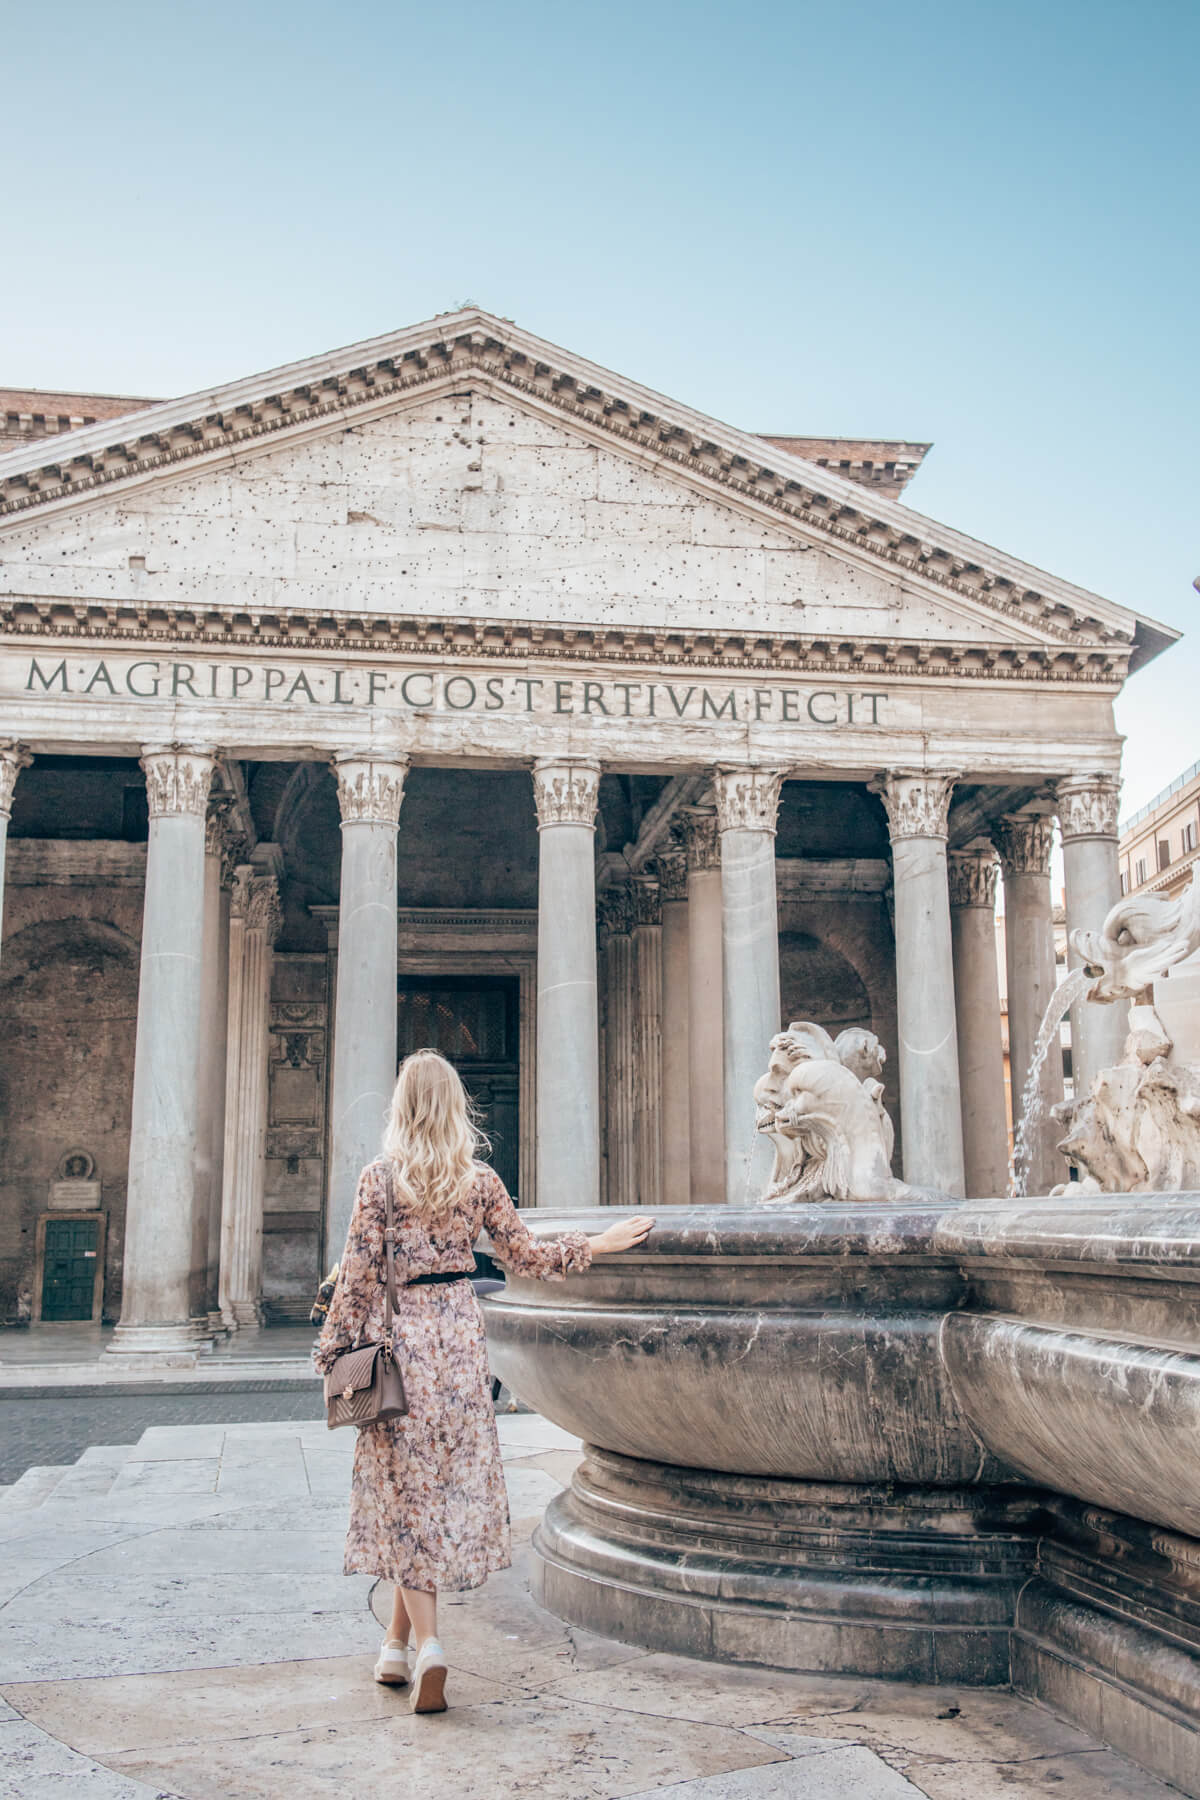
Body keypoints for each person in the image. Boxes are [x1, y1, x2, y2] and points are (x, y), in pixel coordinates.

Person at [314, 1048, 653, 1714]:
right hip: (466, 1351)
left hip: (401, 1345)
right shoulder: (480, 1181)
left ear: (403, 1107)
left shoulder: (380, 1181)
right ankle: (393, 1647)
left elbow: (355, 1278)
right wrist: (603, 1244)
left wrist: (332, 1354)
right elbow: (525, 1256)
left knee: (406, 1499)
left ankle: (432, 1646)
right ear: (456, 1108)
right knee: (435, 1495)